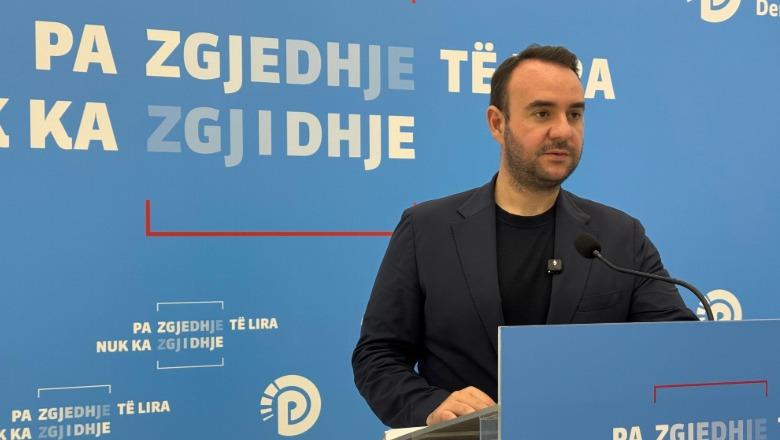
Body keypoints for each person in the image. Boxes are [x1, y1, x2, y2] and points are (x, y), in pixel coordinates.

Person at [351, 44, 697, 429]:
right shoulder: (426, 229)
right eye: (542, 113)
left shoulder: (619, 237)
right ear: (497, 124)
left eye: (575, 114)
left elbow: (678, 350)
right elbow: (378, 357)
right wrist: (432, 406)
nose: (563, 130)